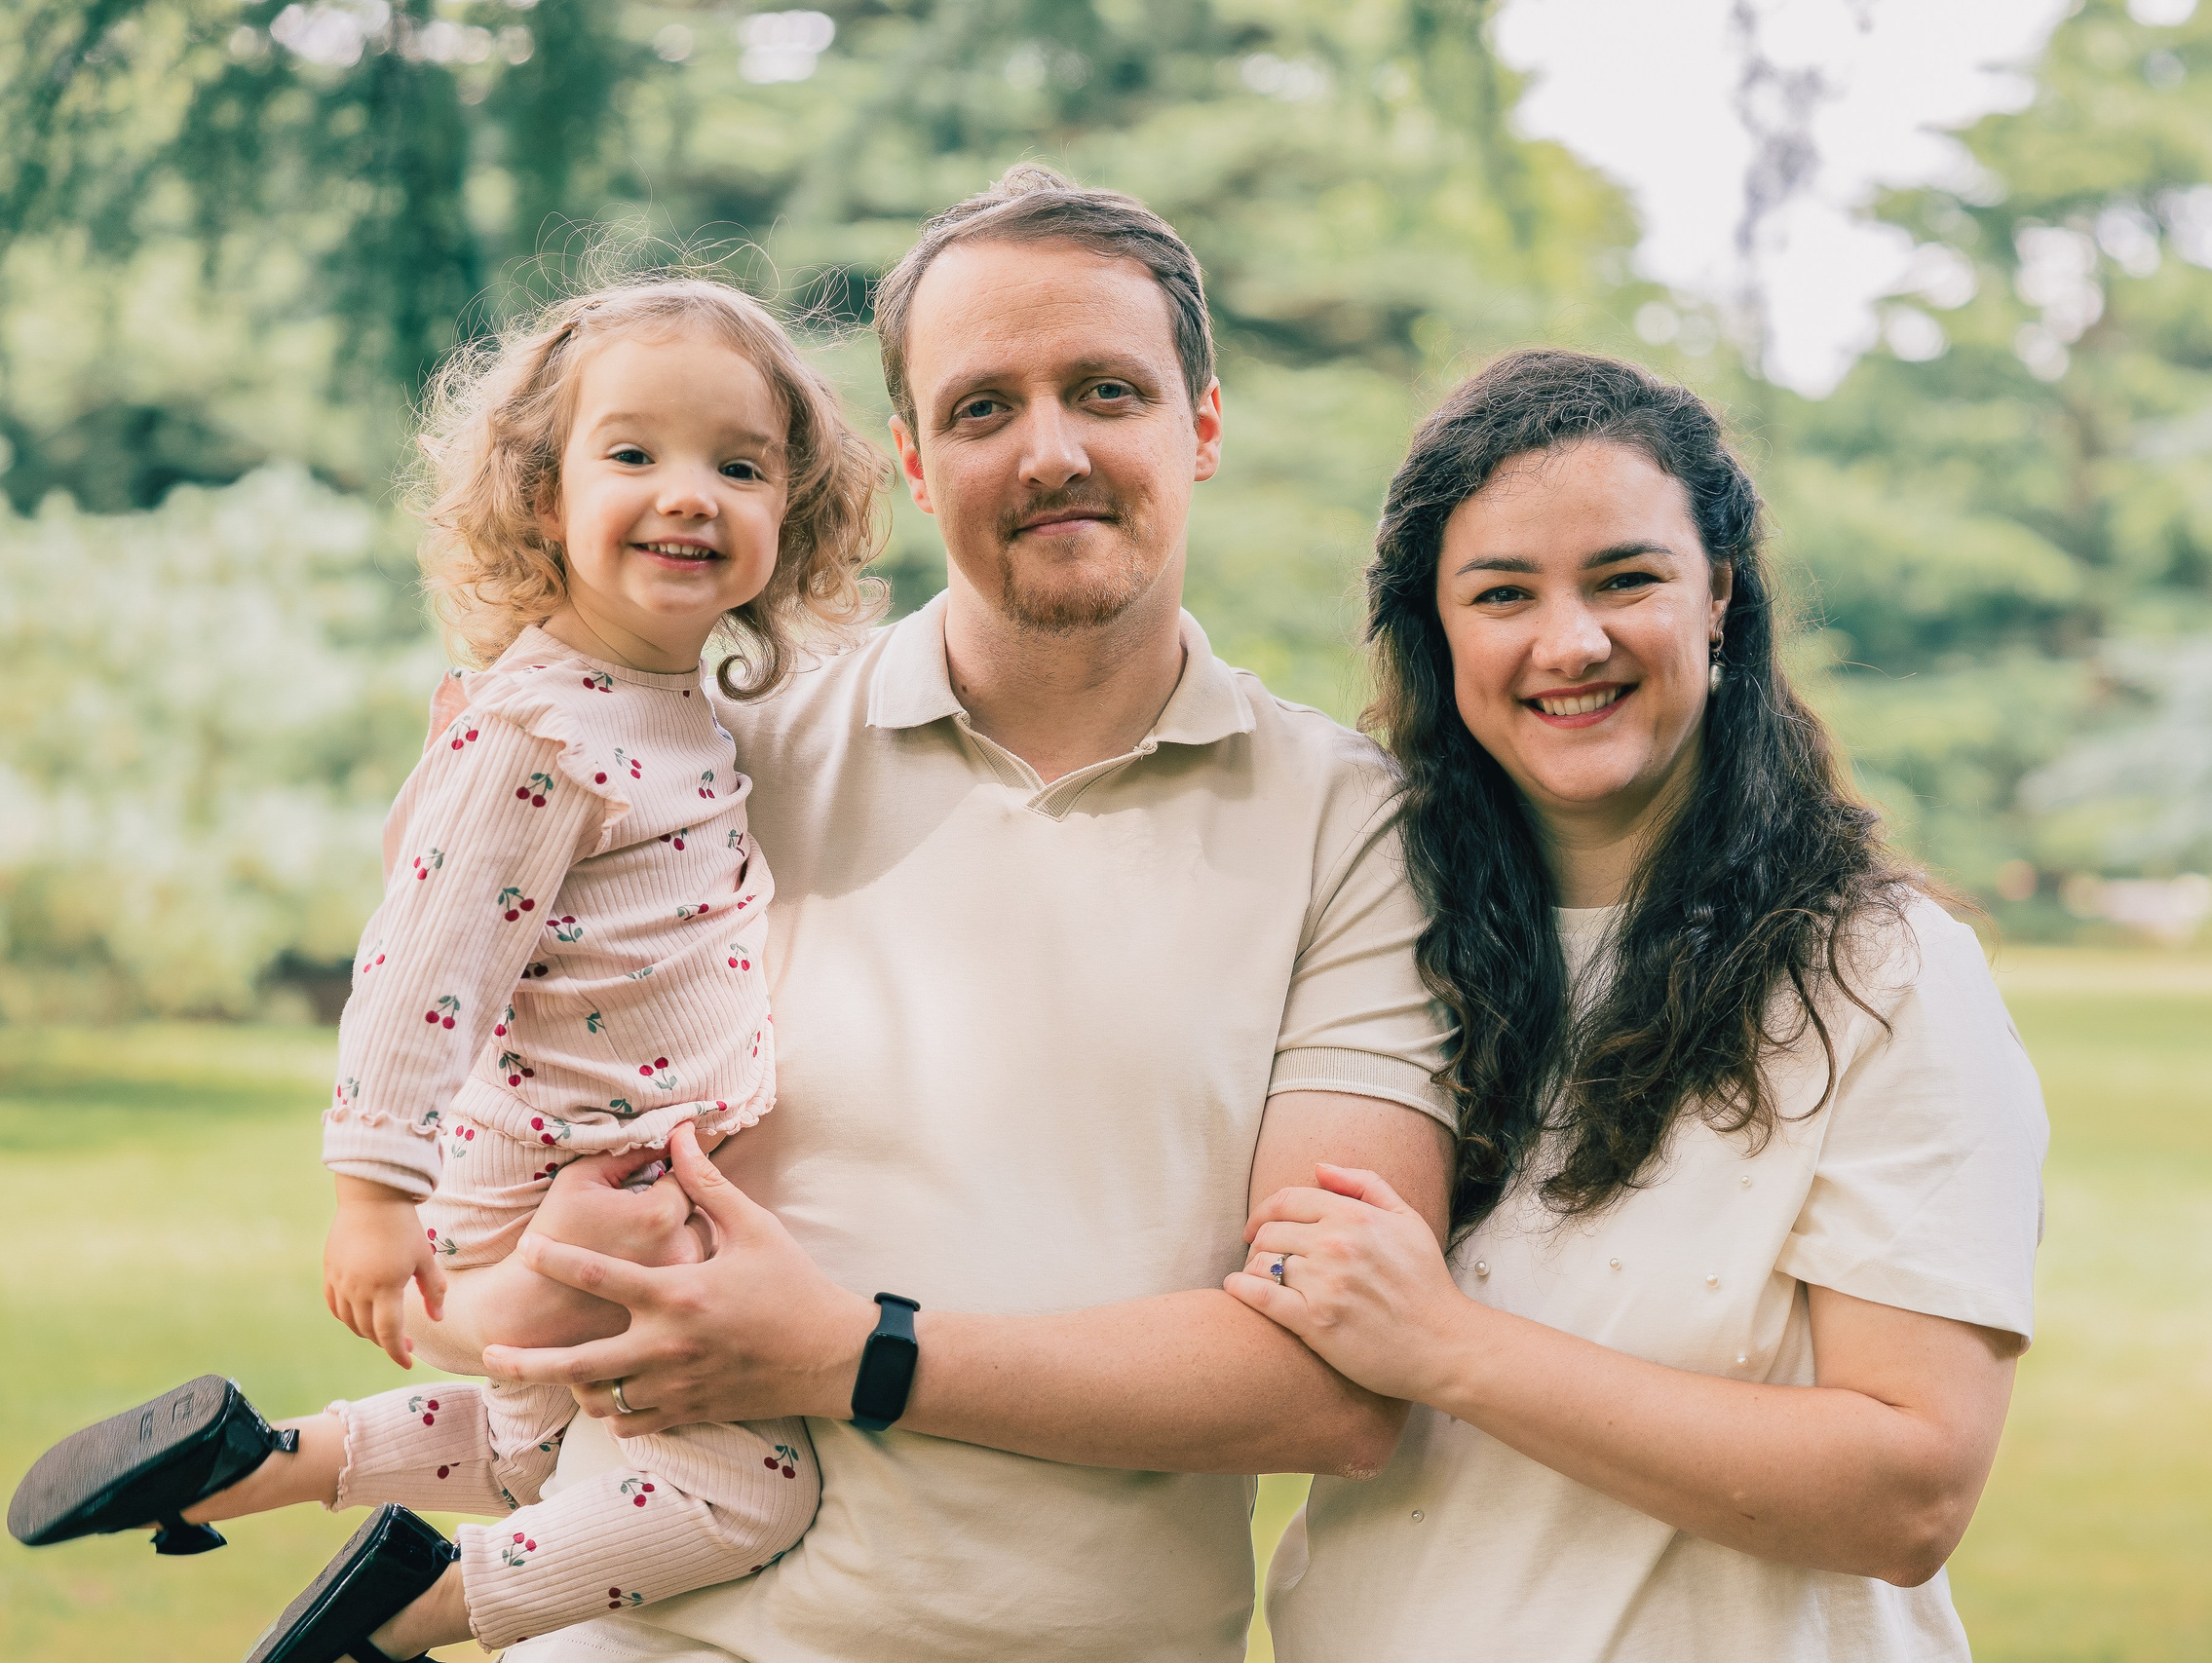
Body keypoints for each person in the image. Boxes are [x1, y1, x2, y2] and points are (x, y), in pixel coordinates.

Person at [410, 166, 1459, 1661]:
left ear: (1201, 426)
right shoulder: (711, 765)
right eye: (982, 409)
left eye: (1106, 391)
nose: (1051, 453)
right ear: (908, 456)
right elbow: (450, 1242)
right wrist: (536, 1276)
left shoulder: (1349, 825)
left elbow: (1334, 1387)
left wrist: (863, 1359)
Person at [7, 276, 888, 1662]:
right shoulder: (537, 728)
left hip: (606, 1175)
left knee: (540, 1452)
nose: (691, 494)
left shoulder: (667, 709)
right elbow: (422, 966)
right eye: (633, 454)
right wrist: (371, 1193)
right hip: (571, 1187)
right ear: (543, 496)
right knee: (742, 1491)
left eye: (740, 465)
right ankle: (408, 1616)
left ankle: (248, 1461)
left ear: (790, 512)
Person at [1223, 349, 2050, 1661]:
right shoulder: (1384, 955)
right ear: (1439, 635)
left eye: (1627, 578)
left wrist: (1448, 1348)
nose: (1571, 642)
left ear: (1718, 594)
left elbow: (1912, 1486)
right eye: (1503, 594)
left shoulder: (1883, 973)